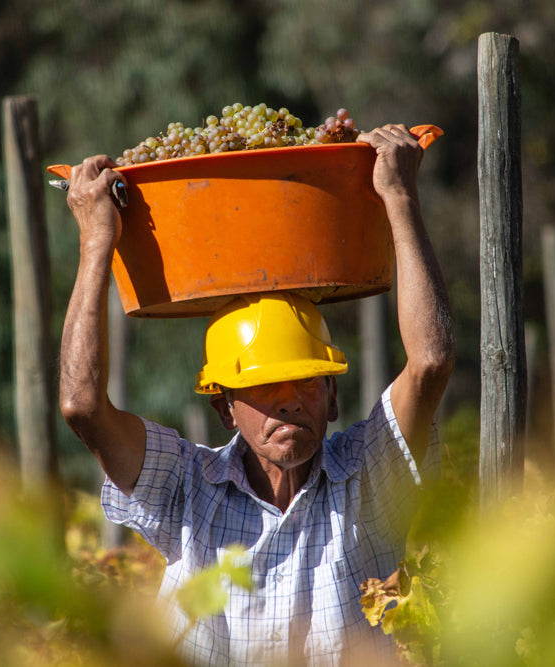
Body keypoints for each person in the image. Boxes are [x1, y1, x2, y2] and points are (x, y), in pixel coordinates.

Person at [59, 124, 455, 665]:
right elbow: (82, 406)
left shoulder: (368, 479)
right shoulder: (185, 490)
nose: (289, 400)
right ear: (223, 408)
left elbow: (430, 361)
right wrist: (95, 243)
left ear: (333, 398)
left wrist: (400, 199)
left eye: (306, 382)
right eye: (262, 387)